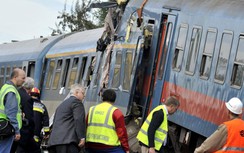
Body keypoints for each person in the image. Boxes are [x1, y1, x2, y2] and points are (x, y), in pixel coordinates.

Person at [85, 89, 130, 153]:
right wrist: (126, 149)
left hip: (91, 145)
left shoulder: (92, 110)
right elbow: (122, 133)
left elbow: (86, 127)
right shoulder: (116, 112)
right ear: (114, 100)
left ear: (102, 98)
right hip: (110, 148)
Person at [48, 83, 86, 153]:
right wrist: (82, 137)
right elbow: (78, 120)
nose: (84, 96)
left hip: (54, 142)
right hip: (67, 143)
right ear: (77, 92)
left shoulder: (62, 104)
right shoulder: (77, 103)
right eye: (83, 93)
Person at [0, 68, 26, 153]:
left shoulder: (5, 87)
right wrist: (17, 131)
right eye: (23, 78)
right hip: (6, 127)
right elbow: (11, 113)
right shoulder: (11, 91)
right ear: (15, 77)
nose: (24, 81)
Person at [12, 77, 39, 153]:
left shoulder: (17, 92)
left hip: (13, 128)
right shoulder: (27, 98)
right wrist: (33, 131)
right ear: (30, 88)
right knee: (35, 149)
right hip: (24, 131)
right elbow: (30, 117)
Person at [30, 87, 50, 153]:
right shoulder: (42, 106)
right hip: (36, 134)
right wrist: (47, 133)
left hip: (25, 134)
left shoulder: (26, 104)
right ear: (38, 95)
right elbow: (46, 121)